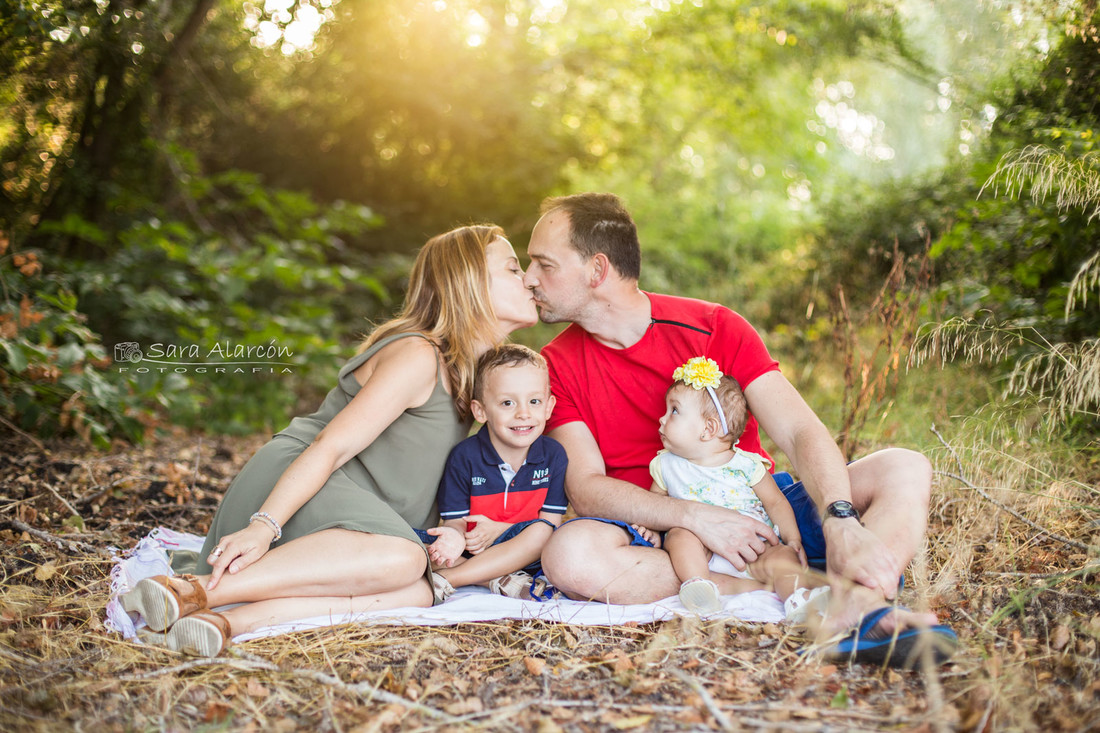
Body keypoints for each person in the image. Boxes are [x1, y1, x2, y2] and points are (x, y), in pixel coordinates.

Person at [522, 192, 956, 665]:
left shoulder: (714, 326)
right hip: (663, 538)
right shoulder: (556, 366)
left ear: (597, 270)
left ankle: (850, 595)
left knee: (905, 466)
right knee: (568, 556)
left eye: (544, 265)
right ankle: (808, 591)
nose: (529, 279)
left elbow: (798, 432)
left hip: (762, 513)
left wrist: (839, 517)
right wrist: (693, 517)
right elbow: (586, 489)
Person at [120, 224, 539, 657]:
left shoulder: (475, 377)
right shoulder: (420, 355)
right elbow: (329, 446)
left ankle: (223, 621)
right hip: (299, 487)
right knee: (407, 561)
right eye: (512, 268)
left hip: (357, 519)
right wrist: (263, 527)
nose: (528, 278)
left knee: (421, 590)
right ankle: (191, 591)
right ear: (468, 284)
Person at [648, 356, 828, 619]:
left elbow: (775, 502)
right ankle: (699, 587)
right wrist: (651, 529)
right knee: (679, 536)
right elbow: (657, 506)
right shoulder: (665, 465)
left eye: (673, 410)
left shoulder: (746, 465)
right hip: (705, 556)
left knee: (783, 560)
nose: (662, 419)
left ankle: (797, 598)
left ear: (708, 429)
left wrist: (792, 540)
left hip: (756, 550)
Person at [421, 344, 568, 600]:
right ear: (480, 411)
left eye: (534, 401)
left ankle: (448, 579)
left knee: (542, 532)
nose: (523, 414)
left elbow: (550, 525)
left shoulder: (553, 455)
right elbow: (456, 521)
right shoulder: (464, 456)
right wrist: (454, 538)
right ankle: (494, 579)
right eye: (507, 402)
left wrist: (500, 529)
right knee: (420, 547)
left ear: (548, 406)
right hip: (473, 547)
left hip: (526, 554)